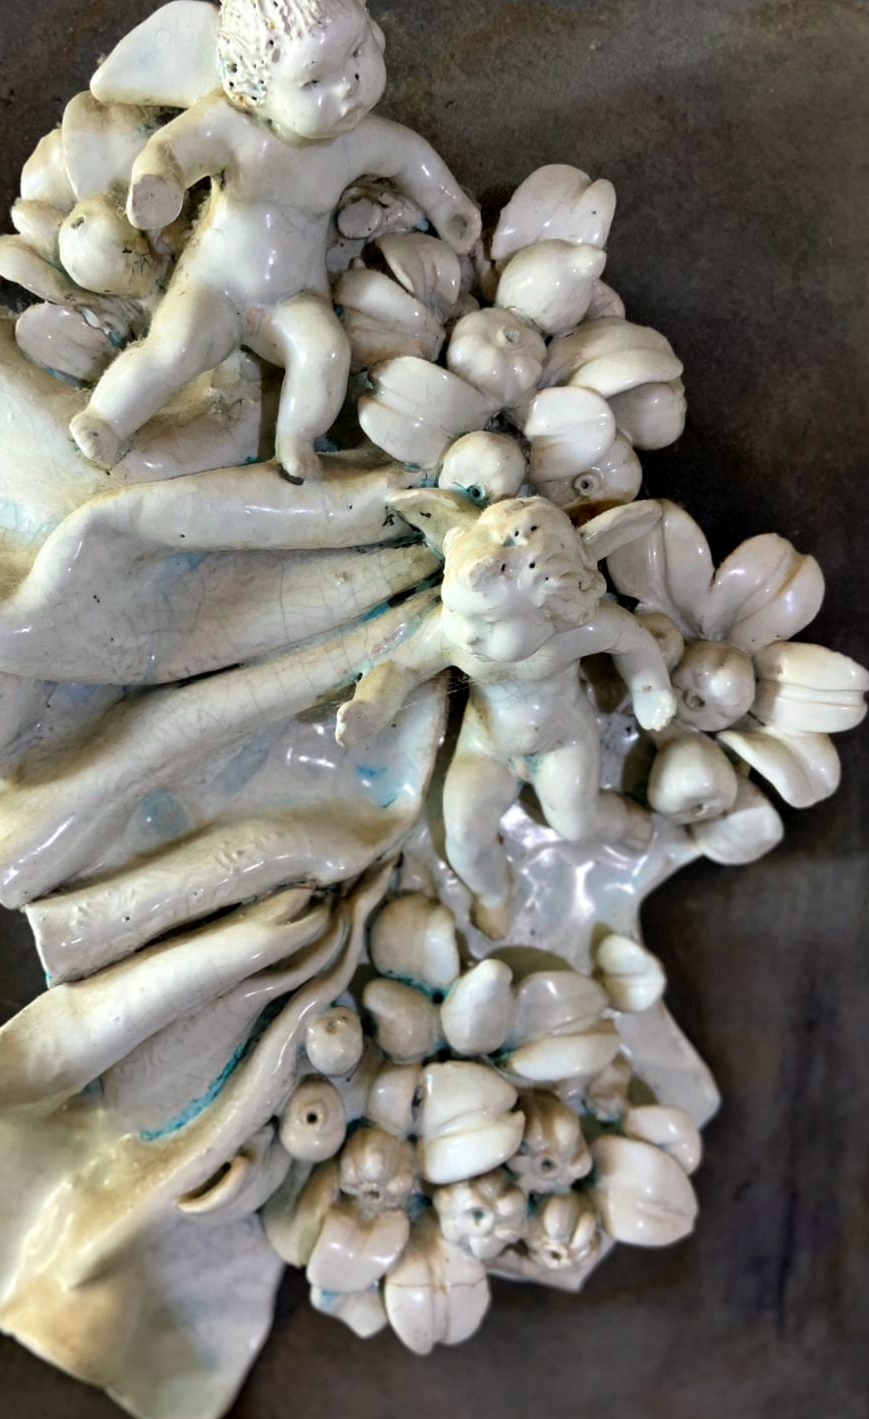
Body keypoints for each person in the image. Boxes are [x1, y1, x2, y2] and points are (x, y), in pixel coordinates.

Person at [70, 0, 481, 479]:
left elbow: (411, 158)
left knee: (325, 352)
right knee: (173, 348)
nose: (349, 86)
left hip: (294, 296)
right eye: (314, 81)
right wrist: (160, 182)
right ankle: (106, 420)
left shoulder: (356, 141)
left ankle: (296, 439)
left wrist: (449, 206)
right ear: (253, 91)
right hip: (215, 286)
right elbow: (173, 150)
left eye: (357, 53)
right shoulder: (232, 127)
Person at [336, 493, 677, 937]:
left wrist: (651, 690)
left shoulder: (580, 628)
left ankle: (625, 822)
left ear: (553, 611)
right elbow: (402, 667)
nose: (466, 636)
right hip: (486, 745)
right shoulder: (456, 636)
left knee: (577, 825)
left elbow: (633, 643)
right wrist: (372, 705)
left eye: (490, 624)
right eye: (456, 612)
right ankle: (494, 892)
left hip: (563, 738)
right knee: (464, 836)